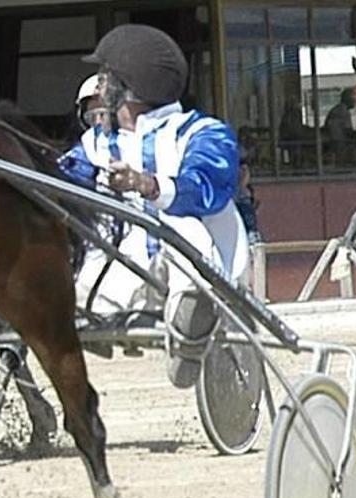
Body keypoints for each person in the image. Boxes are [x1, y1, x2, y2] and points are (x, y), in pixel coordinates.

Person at [58, 24, 249, 389]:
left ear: (127, 88)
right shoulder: (96, 144)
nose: (98, 87)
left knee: (184, 229)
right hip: (117, 276)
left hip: (190, 265)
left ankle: (191, 321)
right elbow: (60, 179)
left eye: (104, 78)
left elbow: (207, 187)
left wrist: (145, 184)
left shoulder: (200, 133)